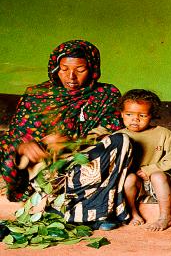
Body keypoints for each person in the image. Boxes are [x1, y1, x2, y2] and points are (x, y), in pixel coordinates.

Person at [0, 40, 132, 231]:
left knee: (122, 141)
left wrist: (72, 143)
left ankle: (81, 210)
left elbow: (109, 130)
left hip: (87, 162)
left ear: (93, 68)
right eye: (63, 69)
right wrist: (24, 146)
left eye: (80, 69)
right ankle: (74, 205)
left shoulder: (107, 94)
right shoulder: (37, 94)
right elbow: (14, 137)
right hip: (50, 169)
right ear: (55, 68)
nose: (71, 76)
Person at [116, 89, 171, 231]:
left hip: (161, 180)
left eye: (142, 115)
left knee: (157, 176)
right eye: (129, 114)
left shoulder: (163, 133)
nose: (135, 119)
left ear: (151, 116)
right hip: (137, 183)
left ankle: (166, 216)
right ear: (121, 114)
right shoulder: (119, 136)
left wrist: (150, 169)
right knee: (128, 179)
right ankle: (133, 213)